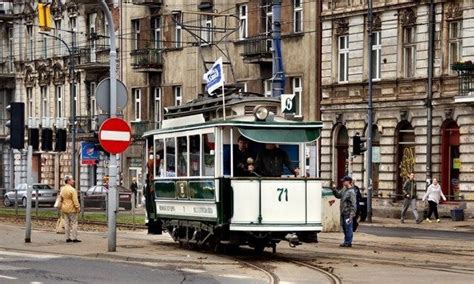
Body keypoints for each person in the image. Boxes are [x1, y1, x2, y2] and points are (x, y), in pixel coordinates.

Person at [331, 176, 357, 247]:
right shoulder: (344, 189)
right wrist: (334, 190)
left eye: (344, 181)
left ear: (348, 182)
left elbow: (353, 204)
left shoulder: (351, 192)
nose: (343, 182)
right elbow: (339, 195)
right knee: (345, 228)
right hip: (343, 212)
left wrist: (352, 214)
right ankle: (346, 241)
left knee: (348, 228)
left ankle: (348, 242)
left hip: (348, 213)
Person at [60, 175, 81, 243]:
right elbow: (75, 200)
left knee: (66, 223)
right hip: (71, 208)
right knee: (74, 223)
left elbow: (61, 198)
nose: (73, 181)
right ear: (68, 181)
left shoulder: (62, 189)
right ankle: (74, 238)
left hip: (64, 208)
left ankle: (67, 238)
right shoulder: (72, 190)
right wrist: (78, 207)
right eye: (72, 180)